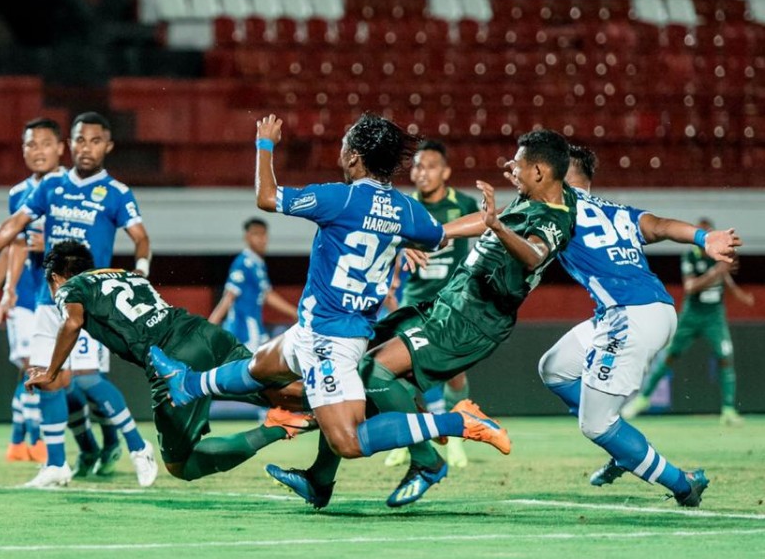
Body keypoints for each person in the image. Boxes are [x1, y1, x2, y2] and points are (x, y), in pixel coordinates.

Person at [252, 130, 576, 509]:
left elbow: (534, 254)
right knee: (353, 367)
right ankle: (320, 477)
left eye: (518, 163)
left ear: (540, 171)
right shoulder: (531, 198)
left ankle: (427, 459)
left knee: (372, 372)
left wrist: (497, 227)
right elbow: (478, 222)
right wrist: (423, 237)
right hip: (445, 304)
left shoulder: (554, 218)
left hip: (469, 321)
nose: (510, 168)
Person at [151, 113, 448, 504]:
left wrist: (264, 144)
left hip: (334, 340)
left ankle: (451, 430)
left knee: (347, 441)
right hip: (313, 328)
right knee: (259, 367)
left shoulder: (339, 197)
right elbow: (439, 238)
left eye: (344, 145)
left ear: (355, 158)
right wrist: (397, 240)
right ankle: (188, 384)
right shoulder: (407, 210)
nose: (340, 152)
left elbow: (267, 198)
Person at [0, 112, 156, 488]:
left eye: (95, 141)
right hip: (50, 302)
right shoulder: (53, 187)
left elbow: (141, 237)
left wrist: (140, 272)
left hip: (91, 302)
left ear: (108, 146)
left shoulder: (116, 192)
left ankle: (139, 447)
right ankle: (57, 465)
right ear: (71, 145)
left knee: (88, 379)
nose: (87, 147)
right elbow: (13, 225)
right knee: (45, 378)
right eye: (81, 140)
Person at [536, 145, 733, 507]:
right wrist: (704, 238)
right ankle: (619, 442)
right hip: (644, 310)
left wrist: (447, 233)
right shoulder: (618, 210)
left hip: (630, 316)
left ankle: (682, 484)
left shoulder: (559, 207)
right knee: (554, 368)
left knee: (595, 425)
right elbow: (660, 226)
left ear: (558, 175)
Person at [31, 241, 315, 481]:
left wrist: (51, 372)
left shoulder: (71, 287)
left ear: (56, 278)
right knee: (282, 392)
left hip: (173, 361)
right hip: (206, 334)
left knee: (181, 465)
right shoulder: (125, 273)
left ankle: (278, 427)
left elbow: (72, 323)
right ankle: (350, 400)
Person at [0, 118, 66, 464]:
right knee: (30, 366)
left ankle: (22, 436)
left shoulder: (71, 187)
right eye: (30, 145)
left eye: (44, 144)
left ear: (60, 148)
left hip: (62, 297)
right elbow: (13, 247)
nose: (37, 151)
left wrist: (51, 246)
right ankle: (29, 440)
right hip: (25, 294)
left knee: (63, 376)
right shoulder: (17, 194)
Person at [384, 140, 480, 470]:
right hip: (414, 304)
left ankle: (454, 441)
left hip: (452, 304)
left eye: (430, 167)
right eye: (417, 166)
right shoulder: (404, 207)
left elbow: (487, 237)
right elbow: (389, 250)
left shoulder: (464, 203)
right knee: (406, 375)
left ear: (446, 172)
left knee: (454, 374)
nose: (422, 173)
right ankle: (409, 439)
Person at [623, 218, 754, 425]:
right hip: (692, 315)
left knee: (726, 357)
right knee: (670, 356)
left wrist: (740, 295)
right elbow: (690, 287)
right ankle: (643, 398)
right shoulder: (690, 257)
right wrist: (715, 273)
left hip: (714, 316)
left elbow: (724, 278)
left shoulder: (719, 256)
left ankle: (728, 410)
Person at [208, 218, 298, 351]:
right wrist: (208, 328)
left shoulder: (258, 263)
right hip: (243, 330)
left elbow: (268, 295)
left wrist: (295, 313)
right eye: (257, 234)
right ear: (247, 237)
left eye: (264, 234)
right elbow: (228, 297)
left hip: (255, 327)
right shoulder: (243, 263)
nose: (262, 239)